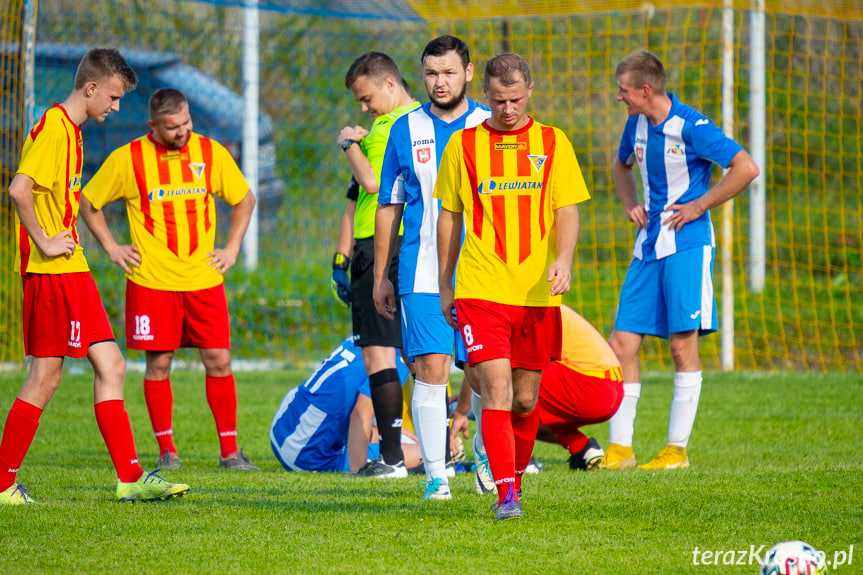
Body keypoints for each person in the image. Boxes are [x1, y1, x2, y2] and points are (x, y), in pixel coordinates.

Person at [0, 47, 190, 504]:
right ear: (91, 88)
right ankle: (3, 484)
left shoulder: (73, 131)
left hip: (73, 271)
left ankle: (130, 478)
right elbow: (18, 189)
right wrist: (46, 240)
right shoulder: (54, 130)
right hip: (52, 272)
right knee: (45, 377)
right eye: (114, 96)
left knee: (112, 364)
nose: (117, 106)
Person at [435, 52, 590, 520]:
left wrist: (563, 260)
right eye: (499, 100)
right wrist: (446, 285)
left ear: (531, 91)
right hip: (481, 288)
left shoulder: (552, 142)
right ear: (485, 94)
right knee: (497, 391)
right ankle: (506, 495)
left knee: (526, 398)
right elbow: (449, 216)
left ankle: (514, 477)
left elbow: (567, 209)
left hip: (535, 294)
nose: (507, 109)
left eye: (516, 99)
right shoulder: (462, 147)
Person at [80, 88, 260, 472]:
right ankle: (168, 452)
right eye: (173, 127)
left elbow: (244, 199)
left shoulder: (211, 152)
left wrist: (230, 249)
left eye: (186, 123)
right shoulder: (129, 158)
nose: (182, 132)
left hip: (203, 279)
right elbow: (89, 202)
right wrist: (112, 248)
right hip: (151, 281)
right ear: (153, 125)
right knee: (159, 364)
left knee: (219, 360)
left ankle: (230, 452)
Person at [604, 49, 759, 470]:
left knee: (680, 345)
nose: (619, 98)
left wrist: (700, 205)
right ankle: (620, 450)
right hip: (647, 247)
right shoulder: (635, 124)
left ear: (645, 89)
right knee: (621, 344)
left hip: (687, 246)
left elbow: (746, 167)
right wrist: (630, 203)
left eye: (624, 91)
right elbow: (620, 167)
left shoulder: (692, 126)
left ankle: (676, 451)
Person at [374, 35, 491, 501]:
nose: (439, 82)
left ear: (467, 71)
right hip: (421, 270)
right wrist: (382, 272)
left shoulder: (489, 124)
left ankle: (485, 453)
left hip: (484, 270)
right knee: (431, 366)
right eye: (430, 73)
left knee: (485, 371)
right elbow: (389, 204)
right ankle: (437, 477)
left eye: (448, 72)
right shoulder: (406, 129)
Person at [332, 52, 419, 478]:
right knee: (422, 352)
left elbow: (370, 184)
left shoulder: (389, 127)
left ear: (389, 84)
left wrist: (349, 142)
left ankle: (391, 458)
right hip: (414, 241)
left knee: (380, 355)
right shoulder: (422, 119)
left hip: (378, 243)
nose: (363, 109)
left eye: (366, 98)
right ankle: (445, 453)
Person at [269, 336, 421, 473]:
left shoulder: (366, 333)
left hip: (285, 423)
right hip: (306, 450)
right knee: (431, 454)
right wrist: (359, 469)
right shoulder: (394, 359)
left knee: (397, 435)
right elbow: (360, 413)